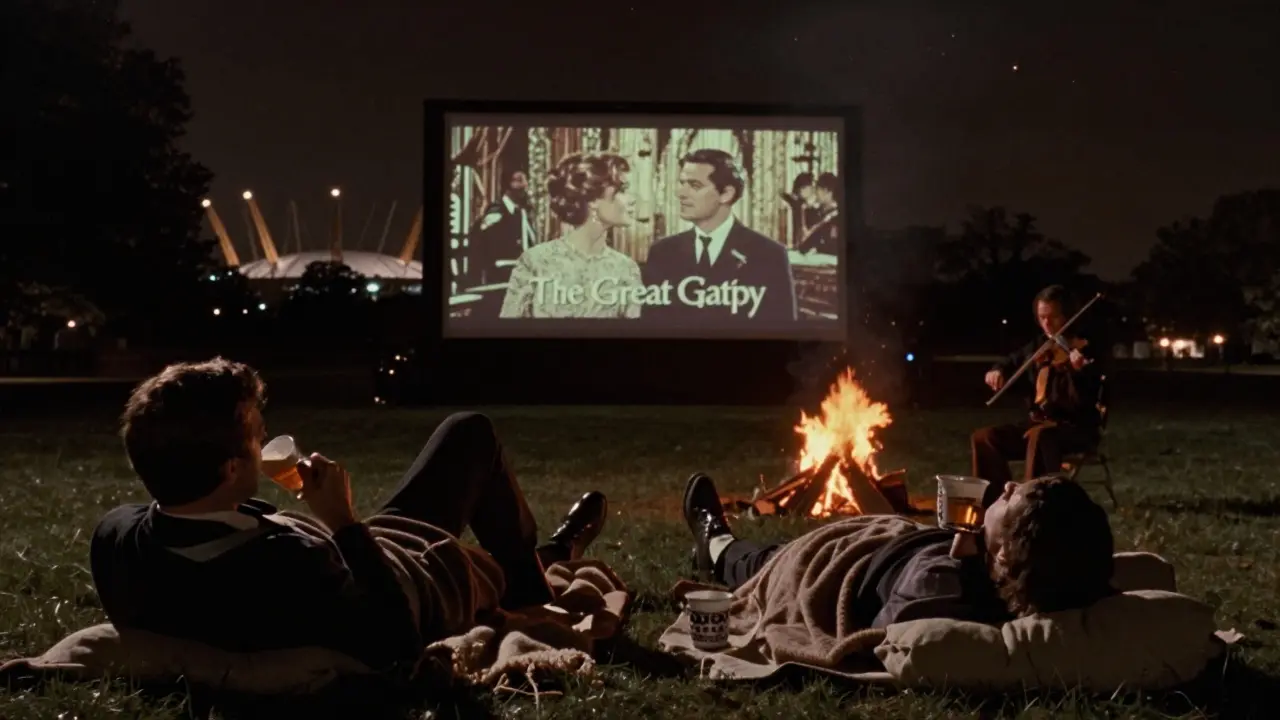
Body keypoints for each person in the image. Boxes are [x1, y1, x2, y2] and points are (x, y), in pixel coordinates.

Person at [89, 358, 608, 674]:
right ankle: (541, 574)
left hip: (381, 548)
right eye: (256, 437)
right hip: (429, 572)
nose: (265, 443)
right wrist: (341, 520)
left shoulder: (117, 536)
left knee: (465, 432)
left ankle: (548, 555)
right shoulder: (288, 563)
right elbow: (397, 646)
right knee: (472, 434)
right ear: (229, 468)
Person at [682, 472, 1115, 627]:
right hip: (884, 543)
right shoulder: (1059, 573)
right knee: (772, 551)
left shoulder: (942, 583)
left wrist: (957, 555)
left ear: (1005, 555)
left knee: (762, 562)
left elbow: (887, 631)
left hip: (835, 568)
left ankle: (716, 541)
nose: (1008, 484)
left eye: (1014, 496)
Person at [972, 285, 1104, 498]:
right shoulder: (1040, 345)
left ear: (1067, 316)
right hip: (1038, 424)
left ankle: (1034, 501)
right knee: (984, 437)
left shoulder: (1087, 348)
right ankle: (996, 501)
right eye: (1042, 317)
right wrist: (997, 370)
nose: (1047, 324)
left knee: (1041, 435)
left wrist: (1078, 372)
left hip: (1075, 428)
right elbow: (1011, 360)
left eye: (1053, 317)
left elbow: (1086, 401)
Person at [644, 149, 798, 325]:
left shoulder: (769, 255)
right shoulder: (662, 253)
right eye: (682, 183)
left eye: (694, 185)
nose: (680, 193)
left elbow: (784, 335)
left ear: (726, 194)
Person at [499, 152, 643, 319]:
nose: (633, 199)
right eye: (622, 190)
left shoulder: (626, 269)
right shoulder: (535, 262)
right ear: (593, 199)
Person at [473, 168, 537, 284]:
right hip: (500, 278)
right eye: (519, 180)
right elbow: (482, 247)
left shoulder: (522, 212)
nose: (524, 185)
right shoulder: (496, 212)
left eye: (525, 180)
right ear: (507, 184)